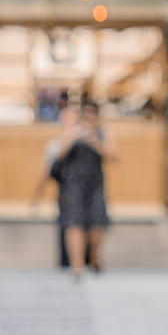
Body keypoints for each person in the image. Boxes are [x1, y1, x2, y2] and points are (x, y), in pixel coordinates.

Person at [36, 99, 109, 278]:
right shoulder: (70, 133)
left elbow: (113, 156)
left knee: (97, 224)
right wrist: (73, 137)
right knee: (74, 223)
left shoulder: (102, 134)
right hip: (73, 185)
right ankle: (77, 266)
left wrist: (94, 142)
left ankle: (93, 255)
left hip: (95, 184)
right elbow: (56, 158)